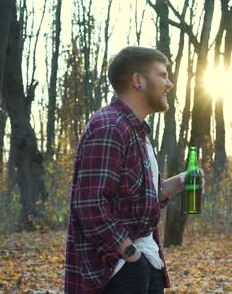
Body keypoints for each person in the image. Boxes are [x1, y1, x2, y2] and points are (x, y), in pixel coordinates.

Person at [64, 46, 204, 293]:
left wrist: (181, 181)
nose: (169, 84)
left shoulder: (137, 133)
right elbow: (90, 204)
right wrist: (130, 254)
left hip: (146, 262)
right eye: (162, 75)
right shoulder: (109, 126)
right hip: (115, 271)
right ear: (138, 80)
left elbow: (141, 199)